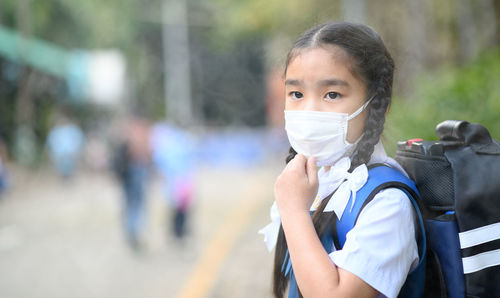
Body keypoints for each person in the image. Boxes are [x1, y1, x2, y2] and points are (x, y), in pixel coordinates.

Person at [259, 22, 418, 298]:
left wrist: (295, 212)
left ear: (377, 107)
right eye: (296, 94)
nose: (309, 110)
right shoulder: (320, 185)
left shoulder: (387, 202)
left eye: (332, 94)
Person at [150, 122, 196, 240]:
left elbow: (158, 162)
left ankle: (178, 230)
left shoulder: (166, 144)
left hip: (177, 180)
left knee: (177, 207)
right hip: (179, 180)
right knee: (179, 207)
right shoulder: (178, 142)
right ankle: (178, 230)